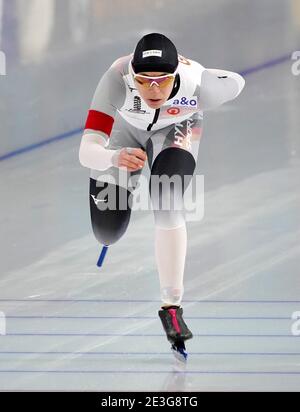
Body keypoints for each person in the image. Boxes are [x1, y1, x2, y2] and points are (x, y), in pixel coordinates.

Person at [79, 33, 245, 360]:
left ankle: (172, 305)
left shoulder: (200, 86)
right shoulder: (115, 79)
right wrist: (114, 157)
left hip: (177, 129)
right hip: (123, 134)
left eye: (162, 81)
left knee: (167, 199)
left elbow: (236, 81)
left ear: (176, 76)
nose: (153, 90)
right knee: (107, 231)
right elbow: (86, 150)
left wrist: (202, 72)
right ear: (132, 77)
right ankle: (110, 228)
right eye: (143, 82)